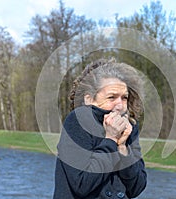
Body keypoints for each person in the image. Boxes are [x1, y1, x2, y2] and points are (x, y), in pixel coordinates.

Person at [53, 58, 147, 199]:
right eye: (111, 97)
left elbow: (136, 188)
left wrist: (122, 148)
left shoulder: (129, 127)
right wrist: (111, 140)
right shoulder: (77, 121)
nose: (120, 105)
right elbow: (81, 185)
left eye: (124, 98)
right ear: (89, 99)